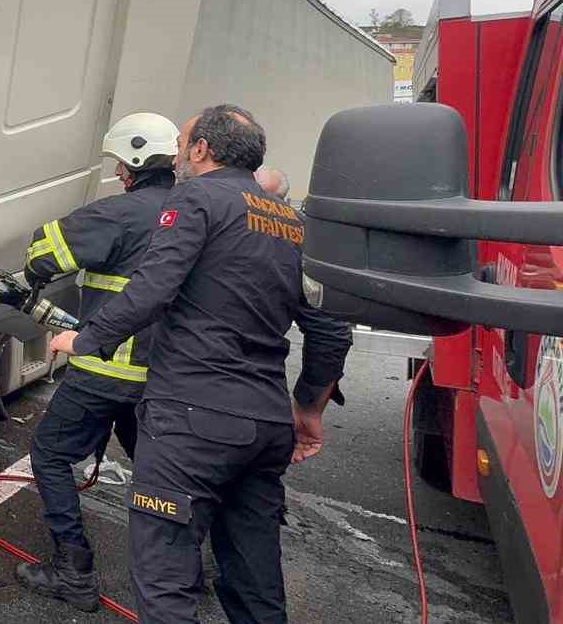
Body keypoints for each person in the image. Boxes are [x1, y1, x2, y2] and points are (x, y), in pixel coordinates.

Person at [47, 104, 351, 623]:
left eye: (184, 144)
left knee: (166, 582)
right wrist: (308, 407)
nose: (179, 155)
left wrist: (84, 339)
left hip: (192, 419)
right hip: (266, 426)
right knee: (255, 581)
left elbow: (152, 290)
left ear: (202, 150)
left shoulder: (196, 199)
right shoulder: (288, 220)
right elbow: (329, 327)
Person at [15, 112, 181, 612]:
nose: (118, 173)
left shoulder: (120, 212)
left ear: (131, 163)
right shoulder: (192, 211)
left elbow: (44, 254)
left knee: (50, 454)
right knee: (157, 469)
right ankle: (184, 570)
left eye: (118, 163)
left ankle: (74, 571)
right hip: (164, 374)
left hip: (106, 368)